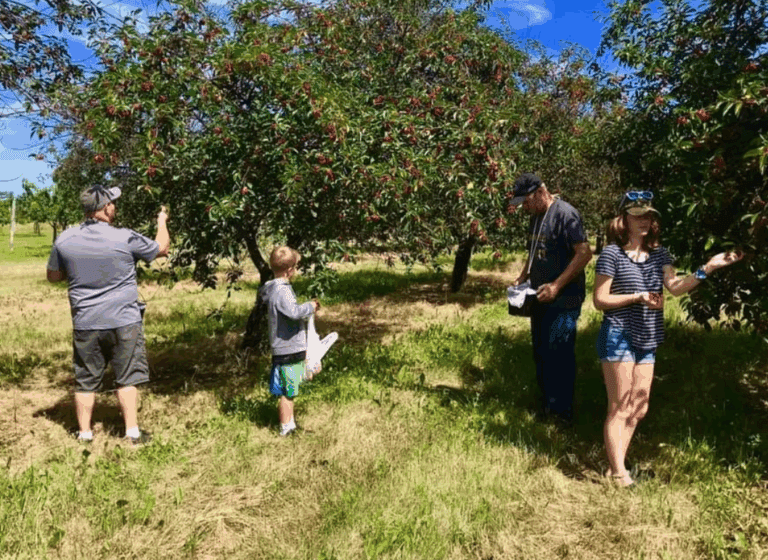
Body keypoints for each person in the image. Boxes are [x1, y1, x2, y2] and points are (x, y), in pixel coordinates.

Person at [593, 191, 743, 487]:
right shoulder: (612, 254)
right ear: (623, 219)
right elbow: (599, 299)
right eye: (637, 215)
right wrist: (637, 296)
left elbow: (675, 287)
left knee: (639, 407)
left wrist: (710, 266)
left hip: (648, 336)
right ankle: (620, 473)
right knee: (620, 405)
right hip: (618, 333)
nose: (644, 220)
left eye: (648, 215)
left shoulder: (661, 255)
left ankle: (616, 465)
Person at [47, 185, 170, 445]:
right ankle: (132, 433)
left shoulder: (64, 239)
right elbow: (161, 249)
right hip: (124, 320)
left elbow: (54, 276)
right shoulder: (124, 237)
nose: (115, 206)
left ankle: (84, 434)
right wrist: (161, 221)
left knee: (85, 380)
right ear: (105, 208)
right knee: (126, 377)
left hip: (85, 322)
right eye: (113, 202)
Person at [510, 173, 593, 423]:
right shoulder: (535, 218)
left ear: (539, 193)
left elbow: (584, 253)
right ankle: (547, 405)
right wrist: (523, 276)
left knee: (560, 353)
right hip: (539, 297)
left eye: (525, 202)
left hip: (563, 300)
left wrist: (557, 285)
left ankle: (562, 413)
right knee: (542, 351)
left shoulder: (565, 214)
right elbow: (534, 251)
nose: (524, 208)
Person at [260, 246, 319, 437]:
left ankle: (289, 424)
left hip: (282, 348)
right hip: (289, 348)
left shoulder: (272, 289)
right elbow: (293, 312)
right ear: (290, 270)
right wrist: (309, 306)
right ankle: (287, 428)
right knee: (289, 392)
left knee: (288, 387)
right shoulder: (282, 291)